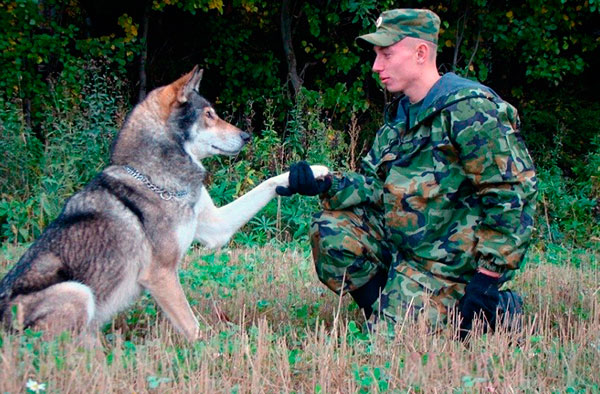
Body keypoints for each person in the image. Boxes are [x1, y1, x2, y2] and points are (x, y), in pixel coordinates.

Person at [276, 8, 537, 339]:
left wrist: (487, 279)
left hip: (450, 267)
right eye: (375, 55)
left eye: (386, 54)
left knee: (400, 343)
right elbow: (375, 187)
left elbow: (512, 194)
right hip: (406, 252)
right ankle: (388, 310)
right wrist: (327, 183)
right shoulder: (401, 118)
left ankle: (495, 310)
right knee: (331, 229)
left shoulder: (470, 109)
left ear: (421, 52)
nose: (376, 66)